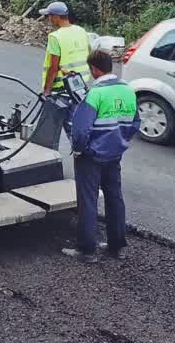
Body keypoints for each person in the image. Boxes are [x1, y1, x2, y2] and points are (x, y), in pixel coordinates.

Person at [62, 50, 139, 263]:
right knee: (115, 198)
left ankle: (86, 250)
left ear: (95, 69)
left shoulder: (95, 94)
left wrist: (80, 149)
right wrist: (119, 143)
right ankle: (115, 246)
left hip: (91, 156)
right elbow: (135, 124)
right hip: (114, 155)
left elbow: (80, 132)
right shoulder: (129, 91)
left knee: (88, 200)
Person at [39, 1, 91, 95]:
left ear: (56, 17)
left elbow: (53, 68)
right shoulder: (81, 31)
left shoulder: (55, 37)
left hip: (62, 86)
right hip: (81, 84)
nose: (48, 19)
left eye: (49, 16)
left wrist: (46, 91)